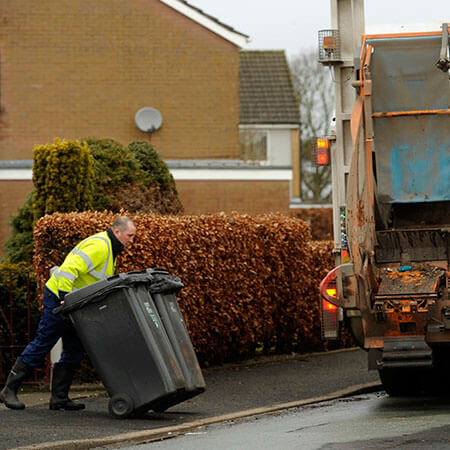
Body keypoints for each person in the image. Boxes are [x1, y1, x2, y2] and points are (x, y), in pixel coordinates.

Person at [0, 216, 136, 411]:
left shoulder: (109, 248)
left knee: (75, 347)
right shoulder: (100, 246)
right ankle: (9, 390)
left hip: (75, 303)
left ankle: (59, 398)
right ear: (117, 232)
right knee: (45, 341)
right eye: (130, 236)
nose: (132, 240)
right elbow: (68, 270)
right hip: (60, 297)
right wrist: (65, 298)